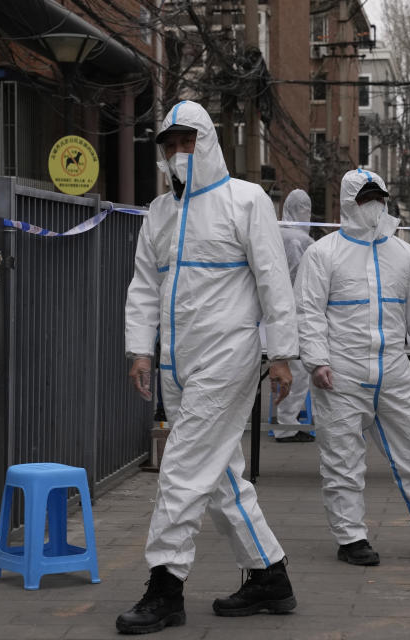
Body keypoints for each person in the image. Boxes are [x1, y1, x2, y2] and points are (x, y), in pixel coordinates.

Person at [118, 100, 299, 635]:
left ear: (209, 141)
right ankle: (270, 575)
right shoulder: (159, 212)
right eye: (169, 144)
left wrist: (282, 353)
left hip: (228, 355)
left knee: (181, 468)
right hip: (177, 363)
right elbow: (144, 285)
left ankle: (166, 585)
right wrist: (140, 350)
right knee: (218, 475)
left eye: (187, 141)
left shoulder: (245, 201)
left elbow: (273, 279)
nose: (178, 153)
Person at [296, 168, 410, 567]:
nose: (374, 206)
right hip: (340, 375)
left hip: (393, 372)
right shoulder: (322, 253)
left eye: (379, 198)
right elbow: (308, 312)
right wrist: (317, 360)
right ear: (348, 203)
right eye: (365, 199)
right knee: (342, 460)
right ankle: (352, 538)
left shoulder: (402, 253)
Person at [274, 188, 316, 443]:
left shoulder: (278, 233)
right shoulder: (297, 240)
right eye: (304, 209)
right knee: (298, 368)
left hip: (278, 311)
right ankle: (286, 425)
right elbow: (302, 277)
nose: (307, 214)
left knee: (291, 366)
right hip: (294, 312)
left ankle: (287, 418)